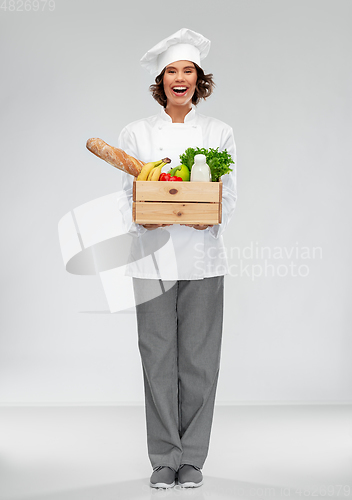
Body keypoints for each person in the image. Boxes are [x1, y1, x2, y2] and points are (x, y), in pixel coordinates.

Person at [117, 28, 237, 489]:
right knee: (157, 359)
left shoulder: (218, 132)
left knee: (200, 363)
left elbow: (231, 195)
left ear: (199, 79)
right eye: (172, 71)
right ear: (161, 80)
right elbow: (123, 195)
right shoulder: (136, 132)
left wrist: (214, 218)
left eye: (188, 71)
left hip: (205, 259)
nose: (180, 78)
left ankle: (193, 457)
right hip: (149, 261)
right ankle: (164, 457)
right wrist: (139, 220)